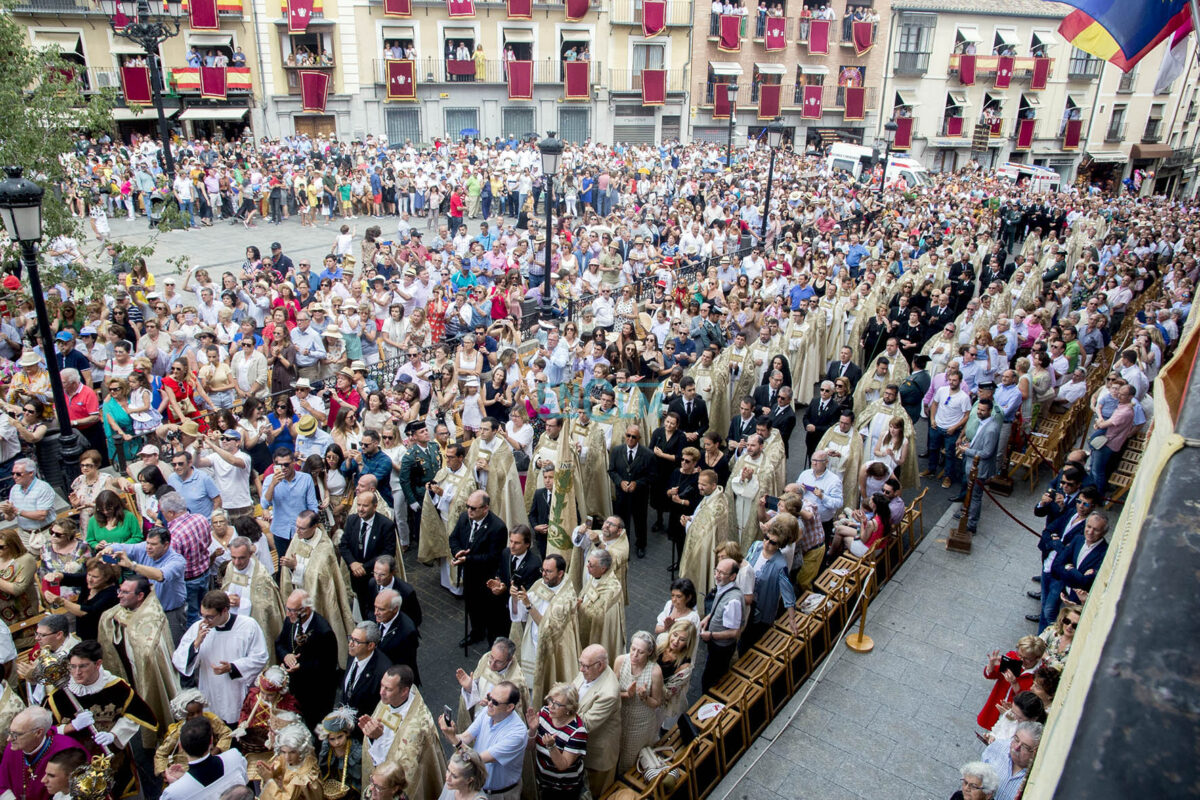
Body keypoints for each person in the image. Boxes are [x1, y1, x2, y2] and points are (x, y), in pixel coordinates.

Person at [44, 640, 158, 799]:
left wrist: (115, 734)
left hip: (114, 758)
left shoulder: (117, 687)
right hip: (80, 765)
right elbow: (46, 732)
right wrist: (71, 726)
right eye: (72, 666)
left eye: (83, 666)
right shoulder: (59, 696)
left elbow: (134, 715)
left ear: (98, 664)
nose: (77, 672)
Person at [96, 575, 181, 738]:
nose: (119, 595)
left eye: (125, 592)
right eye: (119, 591)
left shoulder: (152, 616)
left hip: (147, 673)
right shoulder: (117, 613)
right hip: (129, 669)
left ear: (140, 596)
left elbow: (148, 651)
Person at [172, 590, 270, 725]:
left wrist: (232, 667)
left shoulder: (248, 625)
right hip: (208, 687)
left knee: (233, 723)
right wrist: (196, 644)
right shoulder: (198, 628)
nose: (205, 621)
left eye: (210, 617)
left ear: (224, 611)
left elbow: (260, 657)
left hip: (234, 689)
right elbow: (178, 659)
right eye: (203, 615)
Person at [279, 510, 355, 667]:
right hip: (298, 595)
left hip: (317, 602)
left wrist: (296, 567)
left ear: (315, 526)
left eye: (302, 528)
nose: (297, 531)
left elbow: (318, 576)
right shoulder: (297, 538)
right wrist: (290, 568)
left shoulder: (324, 547)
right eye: (297, 526)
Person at [359, 665, 446, 800]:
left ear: (404, 691)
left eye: (388, 689)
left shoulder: (418, 724)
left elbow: (399, 770)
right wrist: (372, 739)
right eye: (382, 685)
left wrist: (378, 739)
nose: (381, 692)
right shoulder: (388, 700)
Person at [511, 554, 581, 709]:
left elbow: (546, 629)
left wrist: (529, 605)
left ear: (560, 573)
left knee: (549, 687)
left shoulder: (566, 598)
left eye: (549, 571)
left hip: (553, 649)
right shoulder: (540, 584)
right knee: (531, 687)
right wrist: (515, 598)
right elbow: (519, 615)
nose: (543, 574)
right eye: (543, 570)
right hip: (533, 642)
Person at [437, 679, 527, 800]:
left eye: (495, 702)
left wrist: (454, 738)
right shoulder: (488, 712)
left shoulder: (517, 734)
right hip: (477, 788)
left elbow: (476, 760)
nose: (489, 703)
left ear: (509, 707)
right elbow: (463, 738)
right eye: (490, 697)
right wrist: (448, 732)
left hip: (500, 794)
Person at [101, 525, 188, 644]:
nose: (148, 547)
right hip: (146, 613)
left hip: (170, 613)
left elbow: (159, 575)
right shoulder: (143, 548)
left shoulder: (177, 561)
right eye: (147, 543)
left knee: (173, 647)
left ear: (166, 545)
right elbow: (120, 547)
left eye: (153, 544)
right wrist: (109, 549)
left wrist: (132, 566)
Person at [448, 489, 507, 647]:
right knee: (472, 605)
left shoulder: (497, 527)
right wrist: (457, 551)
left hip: (487, 575)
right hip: (469, 573)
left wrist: (467, 559)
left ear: (485, 508)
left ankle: (493, 640)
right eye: (468, 506)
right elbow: (453, 538)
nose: (469, 510)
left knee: (489, 609)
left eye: (473, 508)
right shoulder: (464, 518)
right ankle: (476, 632)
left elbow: (493, 557)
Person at [0, 707, 87, 800]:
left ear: (38, 732)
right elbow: (2, 783)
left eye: (16, 735)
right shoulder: (13, 748)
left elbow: (83, 789)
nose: (9, 739)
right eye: (10, 732)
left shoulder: (68, 749)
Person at [219, 536, 284, 656]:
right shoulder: (230, 567)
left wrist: (242, 603)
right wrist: (227, 598)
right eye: (233, 557)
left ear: (250, 554)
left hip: (253, 627)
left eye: (241, 558)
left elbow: (265, 608)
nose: (237, 563)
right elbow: (225, 588)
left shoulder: (261, 576)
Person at [571, 644, 621, 799]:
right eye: (580, 663)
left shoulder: (609, 692)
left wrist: (559, 713)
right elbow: (573, 688)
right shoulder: (588, 671)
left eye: (585, 666)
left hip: (598, 752)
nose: (580, 669)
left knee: (595, 792)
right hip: (585, 746)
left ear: (600, 666)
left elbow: (585, 724)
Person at [341, 491, 399, 617]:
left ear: (375, 506)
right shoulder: (352, 520)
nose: (361, 509)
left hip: (375, 577)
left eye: (365, 506)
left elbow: (387, 553)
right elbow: (344, 545)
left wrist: (363, 567)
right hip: (357, 577)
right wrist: (352, 563)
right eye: (359, 505)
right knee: (363, 609)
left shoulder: (386, 525)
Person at [161, 716, 248, 800]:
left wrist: (177, 784)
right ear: (211, 740)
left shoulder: (173, 793)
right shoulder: (234, 757)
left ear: (181, 746)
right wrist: (183, 779)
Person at [526, 682, 588, 800]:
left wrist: (551, 747)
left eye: (557, 704)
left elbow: (562, 765)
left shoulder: (578, 732)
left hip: (563, 789)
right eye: (550, 700)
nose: (551, 706)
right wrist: (532, 730)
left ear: (569, 709)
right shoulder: (544, 713)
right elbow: (529, 748)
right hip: (542, 781)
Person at [614, 631, 664, 774]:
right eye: (632, 649)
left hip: (640, 723)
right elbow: (610, 691)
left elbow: (657, 702)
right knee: (615, 752)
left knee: (630, 758)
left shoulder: (655, 672)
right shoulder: (620, 661)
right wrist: (626, 694)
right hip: (620, 717)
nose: (634, 655)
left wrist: (645, 698)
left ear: (649, 652)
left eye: (640, 652)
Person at [153, 690, 234, 778]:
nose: (196, 716)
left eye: (199, 712)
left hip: (211, 763)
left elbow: (226, 733)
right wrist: (165, 774)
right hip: (186, 772)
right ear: (183, 714)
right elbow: (161, 754)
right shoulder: (178, 732)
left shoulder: (211, 720)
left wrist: (216, 751)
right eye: (191, 714)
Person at [42, 556, 119, 642]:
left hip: (100, 640)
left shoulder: (112, 593)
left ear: (107, 578)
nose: (89, 579)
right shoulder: (88, 580)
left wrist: (62, 602)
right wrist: (55, 576)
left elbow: (87, 612)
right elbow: (68, 578)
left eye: (95, 577)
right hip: (83, 637)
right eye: (89, 574)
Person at [678, 469, 729, 597]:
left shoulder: (717, 506)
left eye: (704, 485)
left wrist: (688, 524)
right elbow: (700, 516)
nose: (700, 487)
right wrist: (691, 518)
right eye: (699, 483)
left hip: (706, 548)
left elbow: (704, 531)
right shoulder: (709, 497)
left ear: (713, 485)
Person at [608, 425, 654, 558]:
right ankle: (623, 545)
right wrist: (620, 482)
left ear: (639, 438)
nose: (630, 439)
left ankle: (641, 545)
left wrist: (637, 483)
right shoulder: (617, 451)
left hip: (639, 495)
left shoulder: (648, 454)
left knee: (640, 520)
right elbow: (611, 470)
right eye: (628, 435)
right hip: (622, 494)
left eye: (634, 437)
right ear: (625, 435)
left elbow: (652, 476)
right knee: (622, 521)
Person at [699, 558, 744, 691]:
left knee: (710, 680)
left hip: (721, 649)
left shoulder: (733, 601)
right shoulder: (723, 586)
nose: (717, 575)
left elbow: (734, 632)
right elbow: (719, 608)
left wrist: (711, 635)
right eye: (716, 570)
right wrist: (708, 618)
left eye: (722, 573)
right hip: (715, 646)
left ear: (732, 577)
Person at [0, 459, 58, 552]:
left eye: (18, 474)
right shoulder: (14, 489)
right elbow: (10, 518)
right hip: (25, 535)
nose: (14, 477)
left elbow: (41, 515)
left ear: (30, 473)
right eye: (13, 473)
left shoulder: (43, 488)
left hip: (45, 533)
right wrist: (8, 512)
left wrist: (16, 511)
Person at [254, 722, 323, 800]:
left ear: (301, 750)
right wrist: (272, 773)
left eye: (292, 752)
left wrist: (269, 780)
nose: (287, 757)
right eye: (284, 752)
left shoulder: (303, 777)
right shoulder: (285, 758)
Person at [980, 721, 1041, 800]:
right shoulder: (996, 748)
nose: (1016, 747)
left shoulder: (1037, 777)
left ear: (1035, 752)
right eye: (1016, 739)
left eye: (1025, 747)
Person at [374, 588, 421, 683]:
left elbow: (405, 665)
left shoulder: (407, 633)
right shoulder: (377, 616)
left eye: (381, 609)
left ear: (395, 609)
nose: (375, 612)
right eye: (375, 607)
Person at [315, 707, 362, 800]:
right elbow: (323, 769)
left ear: (347, 733)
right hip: (332, 788)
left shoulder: (356, 750)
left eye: (340, 737)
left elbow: (358, 776)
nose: (337, 742)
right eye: (332, 739)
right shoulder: (327, 748)